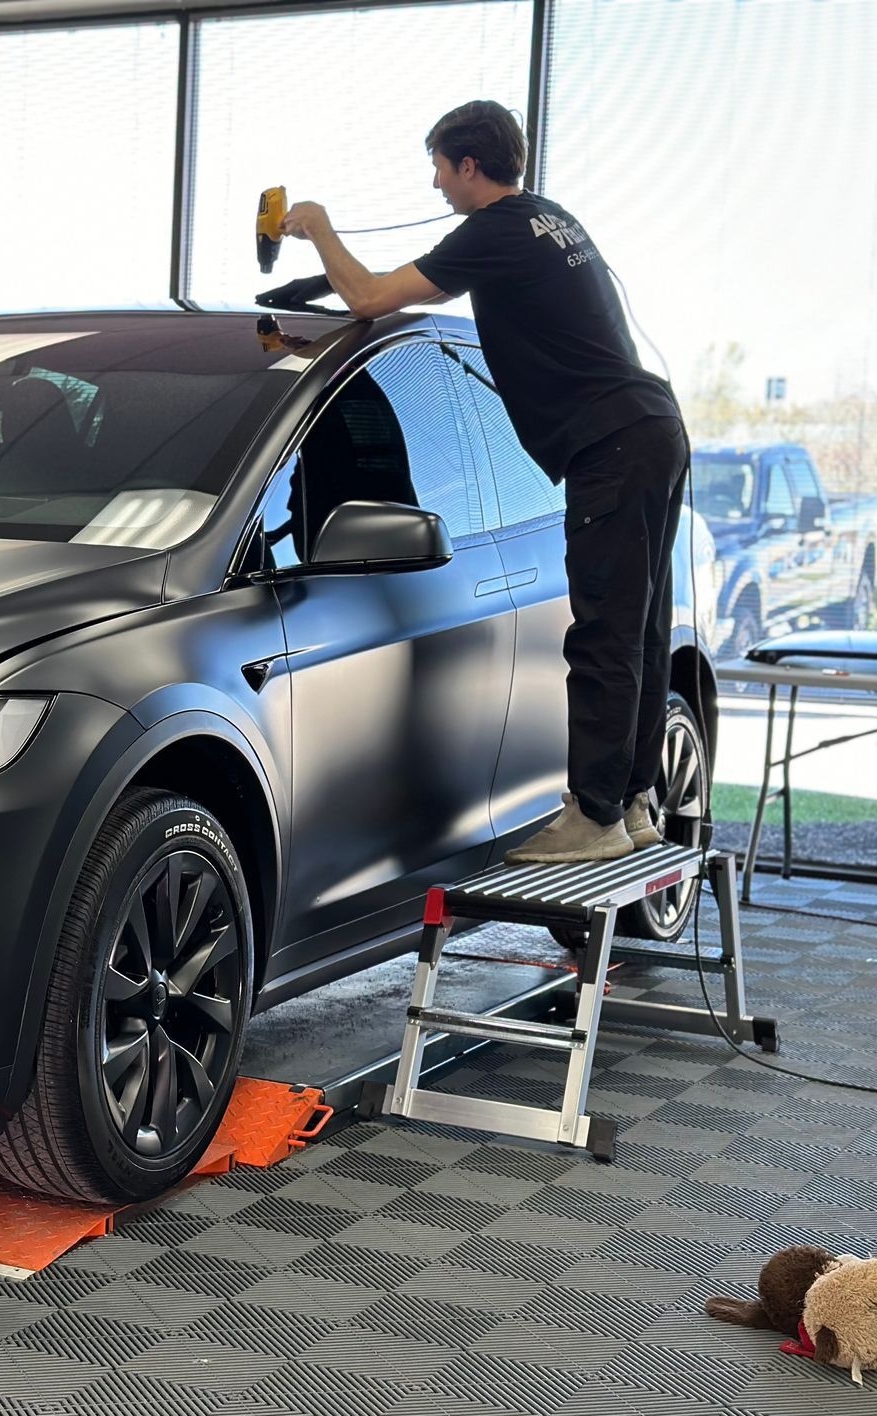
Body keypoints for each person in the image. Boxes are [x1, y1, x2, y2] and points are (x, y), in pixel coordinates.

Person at [281, 99, 687, 865]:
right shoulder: (547, 218)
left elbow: (370, 300)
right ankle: (630, 803)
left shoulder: (495, 232)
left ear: (470, 165)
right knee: (638, 628)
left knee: (604, 631)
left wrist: (319, 225)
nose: (435, 184)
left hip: (612, 443)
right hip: (650, 427)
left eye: (438, 166)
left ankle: (594, 816)